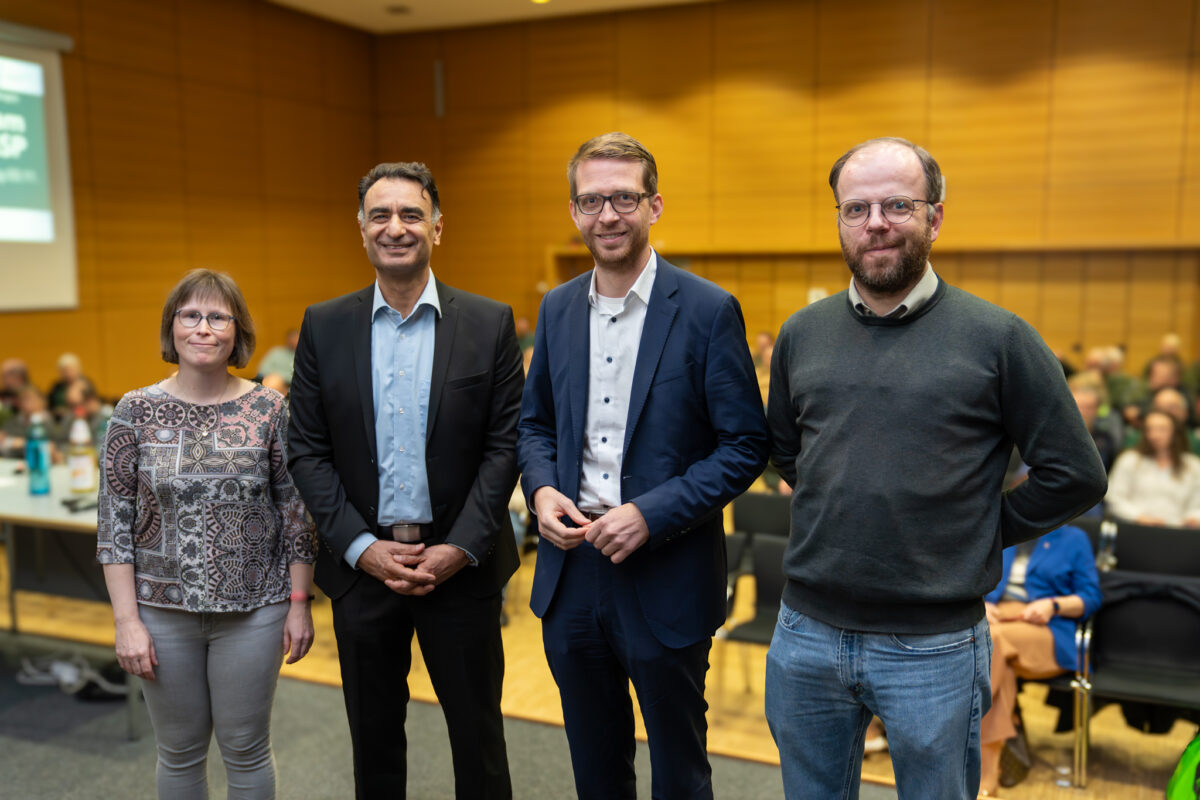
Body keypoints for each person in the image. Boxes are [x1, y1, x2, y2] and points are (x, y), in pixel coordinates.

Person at [765, 137, 1107, 799]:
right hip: (806, 631)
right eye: (855, 208)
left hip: (934, 645)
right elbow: (787, 450)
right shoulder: (801, 333)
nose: (876, 223)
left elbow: (1075, 473)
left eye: (897, 204)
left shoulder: (999, 338)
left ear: (936, 217)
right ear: (839, 220)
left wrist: (976, 530)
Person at [517, 132, 770, 799]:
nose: (608, 215)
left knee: (679, 773)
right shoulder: (557, 307)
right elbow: (535, 424)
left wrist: (650, 515)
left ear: (654, 204)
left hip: (667, 574)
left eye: (624, 197)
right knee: (596, 767)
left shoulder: (708, 310)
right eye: (592, 200)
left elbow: (745, 446)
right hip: (570, 574)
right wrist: (542, 491)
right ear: (574, 212)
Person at [287, 162, 522, 799]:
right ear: (361, 230)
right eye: (381, 215)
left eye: (411, 215)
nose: (396, 228)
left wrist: (458, 548)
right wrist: (362, 549)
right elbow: (306, 450)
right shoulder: (324, 325)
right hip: (364, 573)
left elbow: (505, 449)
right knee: (374, 744)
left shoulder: (489, 323)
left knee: (479, 743)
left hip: (462, 570)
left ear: (438, 228)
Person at [96, 268, 316, 799]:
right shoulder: (135, 411)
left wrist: (299, 603)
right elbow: (113, 526)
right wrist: (127, 622)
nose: (203, 327)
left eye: (218, 317)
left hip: (255, 611)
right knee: (179, 752)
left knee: (245, 749)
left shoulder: (269, 408)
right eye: (190, 315)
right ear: (172, 328)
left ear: (236, 332)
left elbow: (296, 515)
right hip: (160, 611)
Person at [980, 524, 1101, 795]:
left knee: (991, 641)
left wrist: (1053, 605)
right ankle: (989, 772)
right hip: (998, 621)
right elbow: (974, 578)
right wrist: (981, 603)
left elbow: (1091, 597)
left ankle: (974, 752)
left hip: (1049, 629)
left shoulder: (1073, 538)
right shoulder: (1003, 530)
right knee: (996, 656)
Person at [1107, 409, 1200, 526]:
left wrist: (1193, 518)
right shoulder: (1129, 460)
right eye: (1150, 429)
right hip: (1136, 527)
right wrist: (1138, 517)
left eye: (1162, 429)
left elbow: (1197, 504)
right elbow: (1114, 497)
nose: (1155, 435)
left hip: (1178, 530)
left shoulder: (1193, 465)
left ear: (1176, 433)